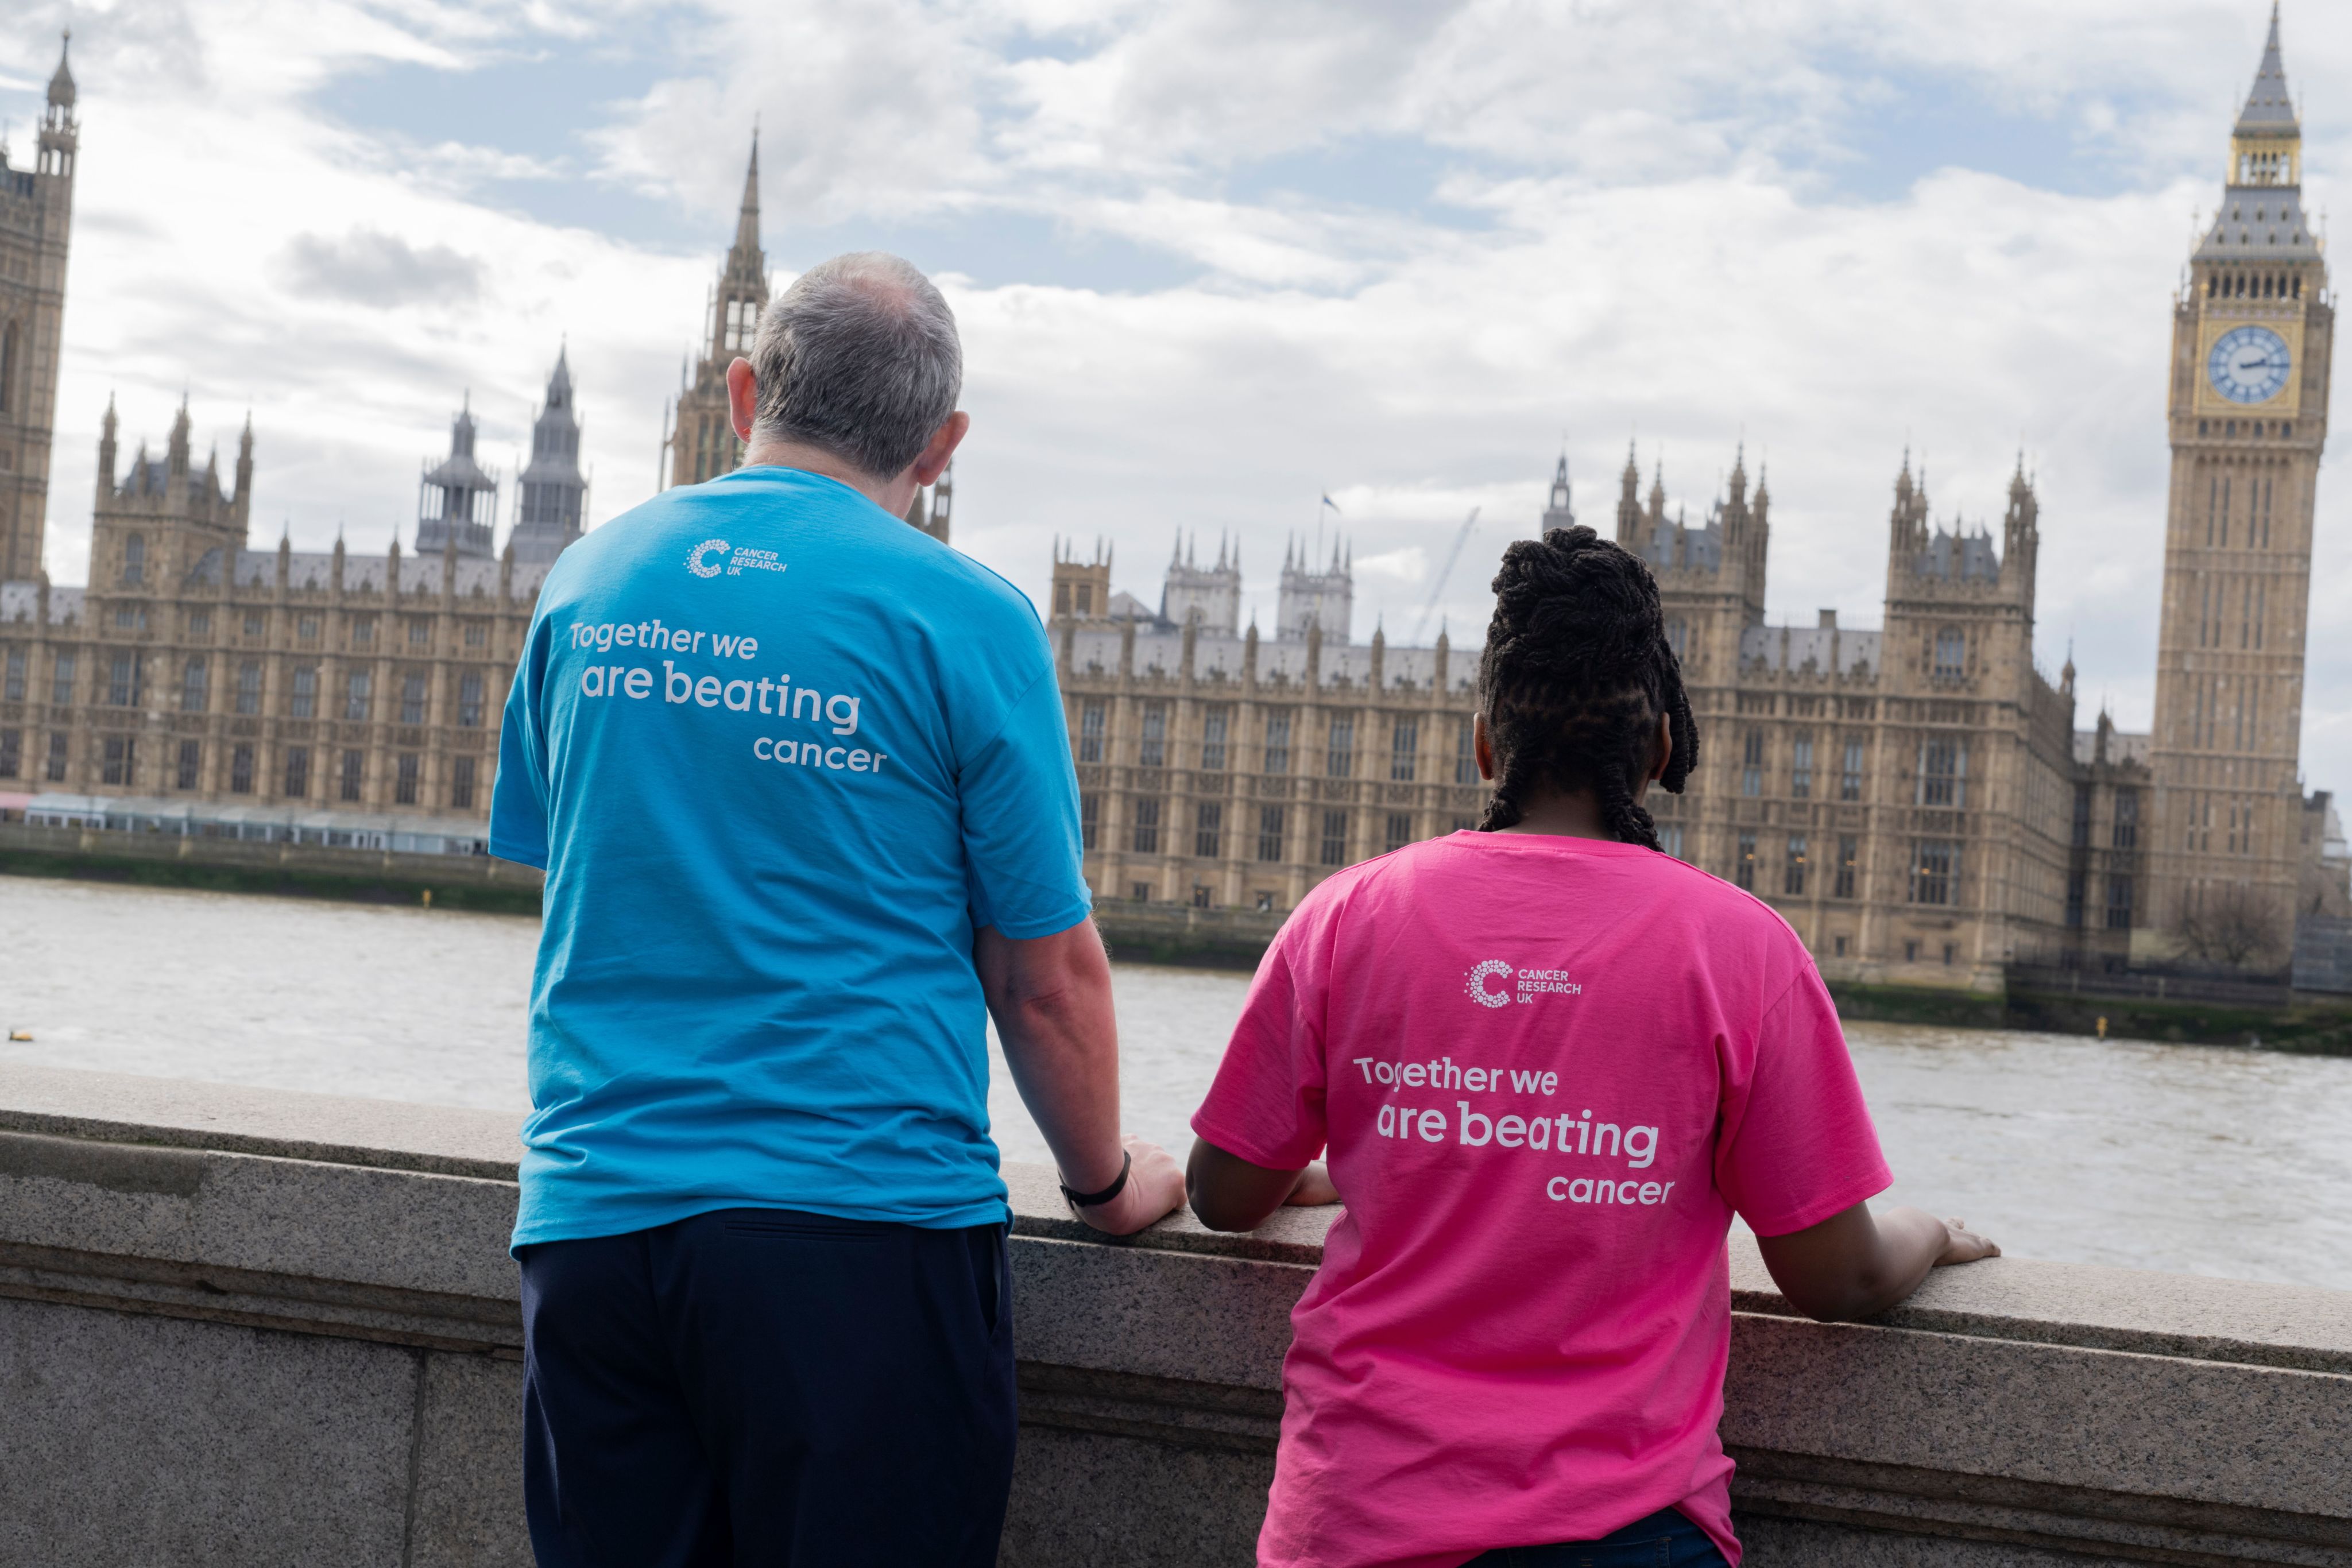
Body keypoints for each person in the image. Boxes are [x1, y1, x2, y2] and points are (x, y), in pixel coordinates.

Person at [490, 250, 1185, 1567]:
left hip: (591, 1231)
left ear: (746, 388)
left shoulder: (587, 579)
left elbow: (574, 865)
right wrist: (1100, 1183)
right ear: (942, 443)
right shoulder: (968, 618)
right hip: (855, 1240)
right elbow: (1043, 979)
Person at [1185, 525, 1998, 1568]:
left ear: (1485, 744)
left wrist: (1355, 1163)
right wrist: (1926, 1231)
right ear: (1660, 750)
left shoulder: (1348, 915)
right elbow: (1836, 1277)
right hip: (1626, 1531)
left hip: (1354, 1517)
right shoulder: (1743, 948)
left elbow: (1222, 1193)